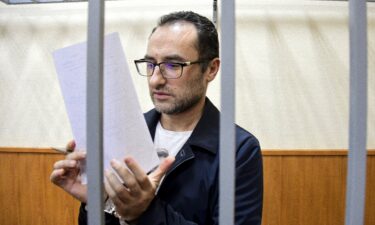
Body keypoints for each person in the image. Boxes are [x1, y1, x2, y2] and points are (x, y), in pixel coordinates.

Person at [50, 11, 263, 225]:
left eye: (173, 65)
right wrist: (98, 203)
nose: (155, 80)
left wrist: (145, 212)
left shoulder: (238, 150)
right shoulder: (126, 132)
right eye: (150, 64)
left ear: (211, 69)